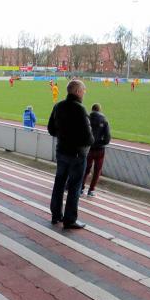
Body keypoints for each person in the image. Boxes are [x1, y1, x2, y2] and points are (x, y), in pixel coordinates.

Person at [47, 80, 94, 230]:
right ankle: (70, 220)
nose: (84, 93)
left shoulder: (58, 106)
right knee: (74, 187)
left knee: (59, 184)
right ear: (78, 92)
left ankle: (56, 215)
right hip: (77, 155)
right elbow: (88, 138)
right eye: (83, 90)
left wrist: (63, 136)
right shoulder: (80, 109)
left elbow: (51, 129)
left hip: (61, 151)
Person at [82, 104, 111, 197]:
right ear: (100, 110)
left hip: (88, 148)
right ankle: (91, 190)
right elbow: (107, 138)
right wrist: (101, 143)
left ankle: (81, 188)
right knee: (97, 170)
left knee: (85, 169)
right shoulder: (104, 120)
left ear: (92, 109)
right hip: (100, 150)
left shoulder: (87, 118)